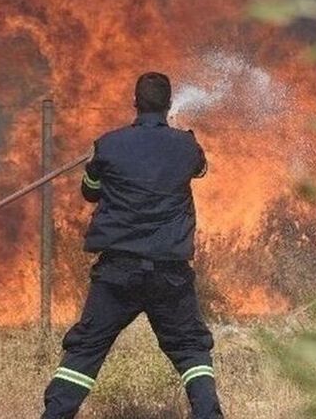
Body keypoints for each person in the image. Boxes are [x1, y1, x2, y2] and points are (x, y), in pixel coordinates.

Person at [41, 72, 223, 418]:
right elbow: (199, 168)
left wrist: (96, 163)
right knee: (190, 349)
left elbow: (90, 191)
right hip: (169, 274)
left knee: (85, 350)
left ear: (134, 102)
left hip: (117, 273)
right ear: (169, 104)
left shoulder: (107, 145)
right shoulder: (186, 146)